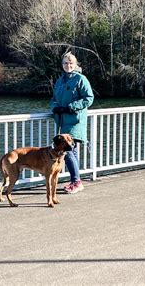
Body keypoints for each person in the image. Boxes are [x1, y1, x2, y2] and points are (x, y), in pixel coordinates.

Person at [50, 52, 94, 194]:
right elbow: (54, 99)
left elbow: (89, 98)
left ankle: (77, 182)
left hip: (75, 120)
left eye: (70, 63)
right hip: (63, 121)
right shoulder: (60, 81)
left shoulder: (80, 79)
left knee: (67, 151)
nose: (68, 66)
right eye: (65, 63)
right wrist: (55, 107)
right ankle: (75, 180)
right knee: (71, 152)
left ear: (75, 65)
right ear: (62, 65)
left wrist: (71, 107)